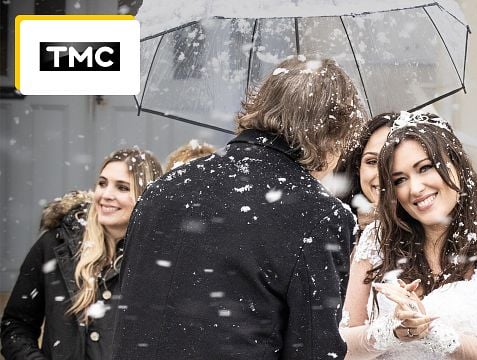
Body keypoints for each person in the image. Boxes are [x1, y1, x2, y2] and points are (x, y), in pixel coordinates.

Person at [112, 56, 368, 359]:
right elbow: (315, 348)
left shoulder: (164, 188)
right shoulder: (318, 214)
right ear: (332, 134)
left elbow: (133, 310)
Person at [339, 111, 477, 359]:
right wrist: (390, 329)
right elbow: (342, 347)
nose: (416, 188)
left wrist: (433, 332)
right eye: (400, 180)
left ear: (457, 165)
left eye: (425, 168)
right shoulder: (375, 241)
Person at [0, 148, 162, 360]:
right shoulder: (55, 244)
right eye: (102, 183)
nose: (106, 195)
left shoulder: (160, 260)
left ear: (146, 197)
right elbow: (16, 325)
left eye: (122, 188)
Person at [338, 113, 395, 231]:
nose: (383, 174)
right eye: (372, 162)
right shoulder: (335, 227)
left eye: (393, 162)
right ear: (358, 167)